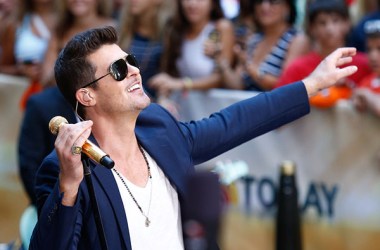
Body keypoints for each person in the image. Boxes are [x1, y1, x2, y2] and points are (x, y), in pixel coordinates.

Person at [29, 26, 357, 249]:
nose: (134, 70)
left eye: (130, 61)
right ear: (87, 96)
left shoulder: (158, 127)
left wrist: (312, 85)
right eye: (118, 69)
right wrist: (68, 187)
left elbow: (233, 122)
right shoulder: (65, 169)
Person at [276, 0, 371, 108]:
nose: (329, 29)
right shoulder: (297, 67)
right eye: (322, 23)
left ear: (347, 23)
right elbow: (279, 102)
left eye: (335, 21)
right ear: (312, 28)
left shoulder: (365, 64)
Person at [148, 0, 235, 96]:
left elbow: (220, 79)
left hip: (214, 104)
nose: (192, 3)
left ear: (213, 3)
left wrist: (180, 83)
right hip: (182, 105)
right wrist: (164, 95)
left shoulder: (221, 27)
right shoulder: (176, 30)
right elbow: (170, 73)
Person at [219, 0, 310, 91]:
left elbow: (286, 84)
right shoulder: (254, 39)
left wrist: (250, 67)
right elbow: (237, 85)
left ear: (287, 7)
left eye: (273, 1)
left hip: (274, 105)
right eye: (259, 1)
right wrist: (221, 61)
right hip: (249, 103)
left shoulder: (296, 40)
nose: (265, 7)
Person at [117, 0, 175, 100]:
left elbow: (168, 76)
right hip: (123, 101)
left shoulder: (169, 33)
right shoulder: (120, 32)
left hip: (154, 103)